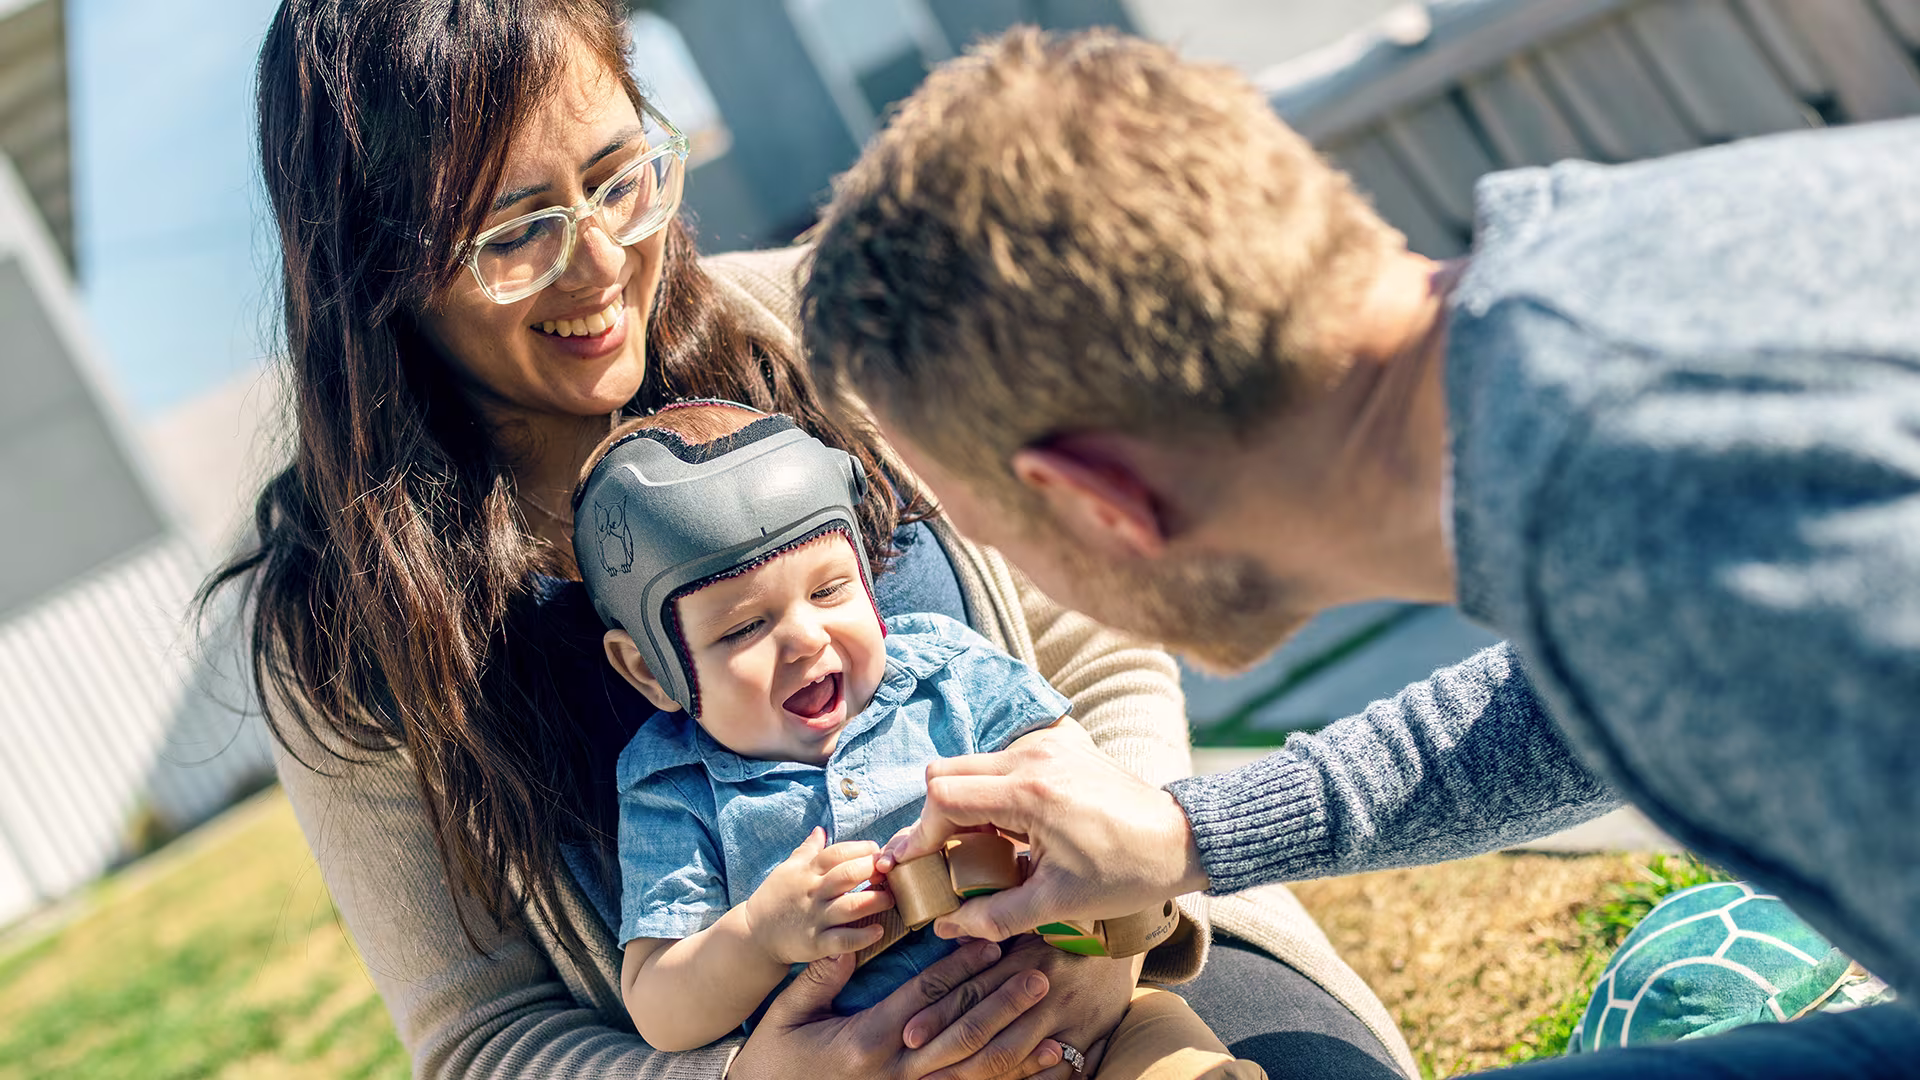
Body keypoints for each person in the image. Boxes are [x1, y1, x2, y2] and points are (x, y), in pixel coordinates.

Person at [203, 3, 1418, 1078]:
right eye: (515, 232)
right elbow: (478, 1036)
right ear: (377, 265)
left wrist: (1114, 921)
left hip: (1129, 970)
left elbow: (1091, 656)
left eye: (619, 176)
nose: (604, 261)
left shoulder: (817, 325)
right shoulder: (340, 627)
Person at [801, 26, 1920, 1075]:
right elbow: (1593, 694)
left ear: (1100, 501)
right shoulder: (1594, 321)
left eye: (990, 531)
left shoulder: (1649, 509)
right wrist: (1186, 831)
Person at [577, 402, 1258, 1080]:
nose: (806, 639)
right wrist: (759, 934)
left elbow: (1085, 784)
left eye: (830, 590)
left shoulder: (950, 673)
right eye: (742, 629)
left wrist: (1040, 848)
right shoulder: (673, 786)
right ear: (650, 668)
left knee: (1166, 1046)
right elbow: (662, 1006)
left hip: (1082, 1019)